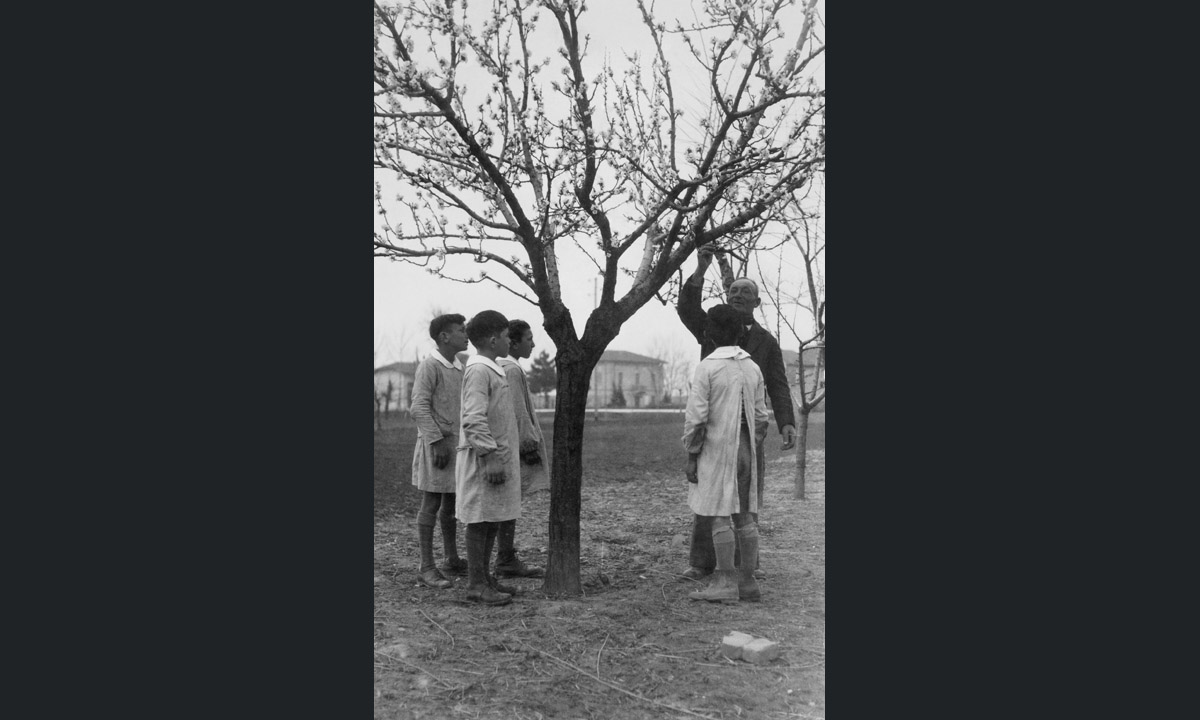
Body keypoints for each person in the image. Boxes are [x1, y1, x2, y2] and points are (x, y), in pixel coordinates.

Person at [677, 245, 797, 583]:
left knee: (747, 496)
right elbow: (686, 308)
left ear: (758, 303)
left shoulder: (766, 342)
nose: (738, 295)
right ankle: (702, 563)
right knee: (709, 494)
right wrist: (700, 270)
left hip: (748, 432)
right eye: (732, 290)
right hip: (714, 431)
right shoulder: (710, 329)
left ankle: (747, 566)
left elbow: (778, 384)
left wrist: (786, 422)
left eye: (746, 291)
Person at [682, 304, 770, 603]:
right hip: (746, 449)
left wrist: (693, 455)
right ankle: (747, 582)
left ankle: (725, 581)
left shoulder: (707, 367)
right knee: (744, 515)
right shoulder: (752, 367)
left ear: (710, 332)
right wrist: (749, 446)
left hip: (717, 450)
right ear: (739, 332)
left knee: (719, 514)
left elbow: (696, 418)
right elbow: (760, 417)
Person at [456, 310, 523, 606]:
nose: (510, 342)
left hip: (499, 455)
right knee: (480, 519)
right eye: (508, 337)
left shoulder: (493, 368)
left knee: (493, 517)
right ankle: (476, 583)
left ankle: (485, 578)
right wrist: (489, 455)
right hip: (484, 459)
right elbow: (473, 417)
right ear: (494, 339)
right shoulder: (479, 370)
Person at [408, 313, 470, 590]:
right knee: (431, 503)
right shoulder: (430, 366)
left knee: (451, 504)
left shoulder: (459, 366)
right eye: (461, 330)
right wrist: (435, 441)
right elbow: (418, 408)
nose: (466, 334)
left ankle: (451, 557)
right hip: (438, 447)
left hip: (456, 445)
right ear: (444, 337)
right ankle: (426, 567)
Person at [495, 319, 551, 578]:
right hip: (513, 446)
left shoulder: (503, 367)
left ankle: (504, 556)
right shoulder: (511, 370)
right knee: (508, 502)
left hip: (504, 441)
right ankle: (504, 558)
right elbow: (518, 411)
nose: (533, 344)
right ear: (513, 342)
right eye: (528, 339)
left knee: (507, 502)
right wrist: (529, 444)